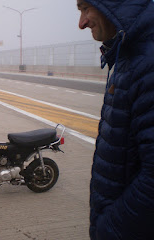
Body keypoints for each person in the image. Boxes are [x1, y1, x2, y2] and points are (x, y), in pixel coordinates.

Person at [77, 0, 154, 239]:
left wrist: (109, 228)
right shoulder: (129, 57)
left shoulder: (146, 65)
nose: (81, 23)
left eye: (86, 8)